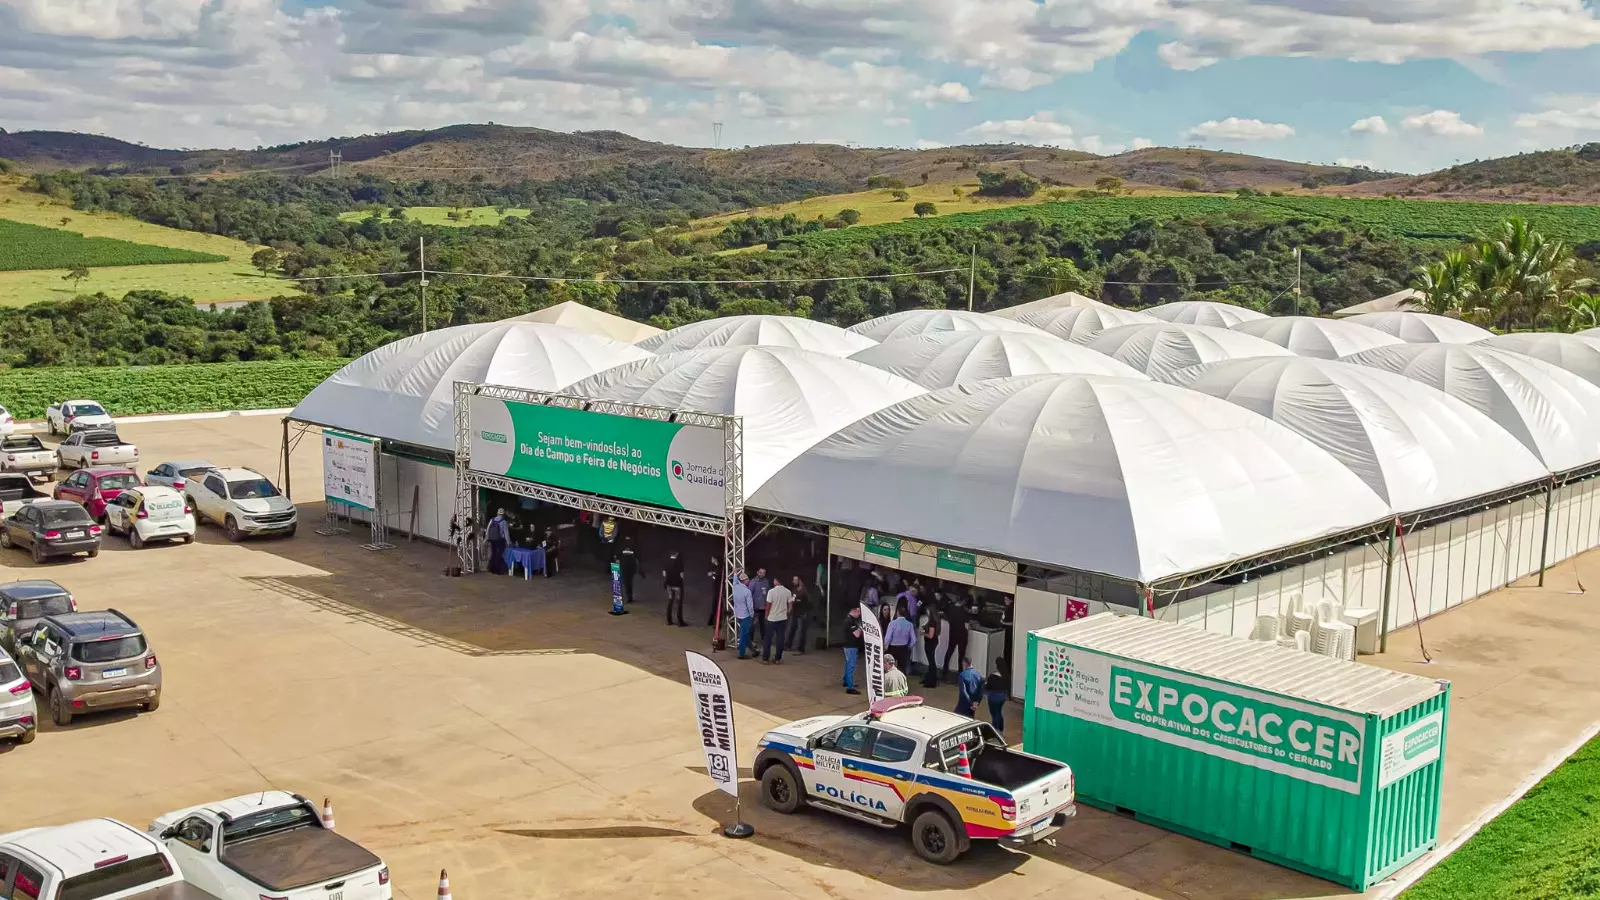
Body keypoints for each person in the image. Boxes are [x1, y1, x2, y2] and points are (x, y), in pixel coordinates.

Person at [761, 577, 794, 664]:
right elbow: (790, 607)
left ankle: (765, 658)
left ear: (776, 581)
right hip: (782, 618)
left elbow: (768, 605)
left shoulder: (771, 592)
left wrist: (766, 615)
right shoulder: (788, 592)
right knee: (780, 638)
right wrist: (786, 613)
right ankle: (777, 659)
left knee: (768, 638)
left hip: (772, 618)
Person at [942, 597, 969, 679]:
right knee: (961, 655)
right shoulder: (963, 610)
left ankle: (945, 670)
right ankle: (960, 672)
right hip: (962, 634)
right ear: (962, 601)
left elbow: (947, 618)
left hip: (953, 633)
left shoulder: (951, 608)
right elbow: (967, 620)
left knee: (949, 652)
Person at [884, 606, 916, 676]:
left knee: (890, 666)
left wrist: (885, 646)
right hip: (904, 647)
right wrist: (909, 647)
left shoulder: (892, 623)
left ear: (897, 613)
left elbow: (888, 637)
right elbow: (914, 639)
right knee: (902, 667)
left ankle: (891, 681)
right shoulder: (910, 624)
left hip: (893, 647)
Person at [786, 575, 813, 654]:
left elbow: (809, 603)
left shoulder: (804, 591)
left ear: (799, 581)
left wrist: (804, 609)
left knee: (801, 631)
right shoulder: (794, 590)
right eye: (793, 580)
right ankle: (788, 645)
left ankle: (800, 649)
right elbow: (791, 600)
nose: (793, 581)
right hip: (795, 613)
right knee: (792, 629)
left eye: (795, 580)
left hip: (802, 614)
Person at [732, 573, 755, 659]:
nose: (748, 581)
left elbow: (734, 581)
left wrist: (734, 574)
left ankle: (754, 650)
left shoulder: (735, 587)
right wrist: (752, 614)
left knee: (745, 634)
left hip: (738, 614)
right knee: (743, 635)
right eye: (747, 579)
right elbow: (750, 605)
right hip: (746, 615)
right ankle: (741, 654)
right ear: (744, 580)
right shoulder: (747, 591)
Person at [842, 605, 863, 695]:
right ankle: (850, 687)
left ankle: (846, 681)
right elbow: (857, 634)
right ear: (853, 611)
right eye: (858, 612)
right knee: (852, 665)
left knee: (848, 663)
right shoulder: (850, 621)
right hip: (851, 646)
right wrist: (861, 628)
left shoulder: (850, 619)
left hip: (848, 645)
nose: (859, 614)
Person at [986, 658, 1011, 735]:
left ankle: (995, 731)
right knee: (999, 712)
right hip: (1002, 697)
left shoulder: (993, 676)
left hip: (993, 697)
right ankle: (1000, 729)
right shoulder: (1006, 675)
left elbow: (987, 687)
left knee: (994, 714)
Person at [919, 607, 943, 688]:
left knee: (931, 662)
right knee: (931, 661)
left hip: (930, 643)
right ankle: (929, 679)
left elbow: (930, 635)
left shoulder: (932, 622)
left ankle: (932, 681)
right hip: (933, 642)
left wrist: (923, 634)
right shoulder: (936, 621)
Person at [662, 550, 687, 626]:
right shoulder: (679, 563)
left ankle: (668, 620)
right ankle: (680, 621)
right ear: (676, 554)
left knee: (670, 602)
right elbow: (682, 576)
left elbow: (664, 574)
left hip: (669, 585)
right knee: (679, 603)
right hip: (678, 585)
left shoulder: (667, 562)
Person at [748, 568, 771, 642]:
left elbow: (769, 593)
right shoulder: (753, 582)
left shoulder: (766, 582)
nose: (762, 574)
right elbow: (749, 594)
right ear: (757, 572)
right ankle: (751, 639)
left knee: (763, 624)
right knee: (752, 624)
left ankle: (764, 639)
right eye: (760, 572)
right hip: (755, 607)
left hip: (764, 607)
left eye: (763, 573)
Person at [485, 509, 510, 576]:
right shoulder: (504, 522)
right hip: (500, 540)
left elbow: (487, 529)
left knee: (493, 554)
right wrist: (508, 542)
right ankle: (497, 570)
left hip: (492, 540)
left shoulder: (492, 520)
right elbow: (506, 533)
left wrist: (487, 538)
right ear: (503, 514)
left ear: (497, 513)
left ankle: (491, 569)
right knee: (499, 555)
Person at [617, 538, 638, 605]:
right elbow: (636, 559)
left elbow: (618, 559)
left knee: (626, 583)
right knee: (629, 583)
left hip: (626, 568)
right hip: (631, 568)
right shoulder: (633, 549)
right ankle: (629, 596)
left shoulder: (622, 549)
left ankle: (628, 596)